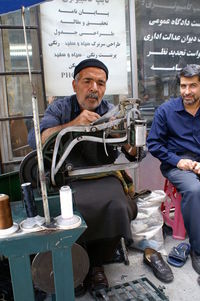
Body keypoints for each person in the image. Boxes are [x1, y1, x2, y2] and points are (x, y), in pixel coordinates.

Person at [28, 58, 138, 294]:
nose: (94, 88)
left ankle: (97, 264)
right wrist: (73, 124)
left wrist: (132, 143)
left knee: (119, 205)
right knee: (69, 210)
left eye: (100, 83)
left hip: (101, 174)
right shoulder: (60, 109)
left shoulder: (111, 112)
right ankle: (77, 265)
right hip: (67, 178)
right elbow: (35, 139)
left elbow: (131, 154)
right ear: (74, 84)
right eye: (87, 81)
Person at [147, 64, 200, 275]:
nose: (187, 91)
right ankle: (197, 249)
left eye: (193, 86)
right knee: (195, 190)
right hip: (177, 165)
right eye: (183, 86)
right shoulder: (166, 111)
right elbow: (154, 144)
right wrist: (178, 161)